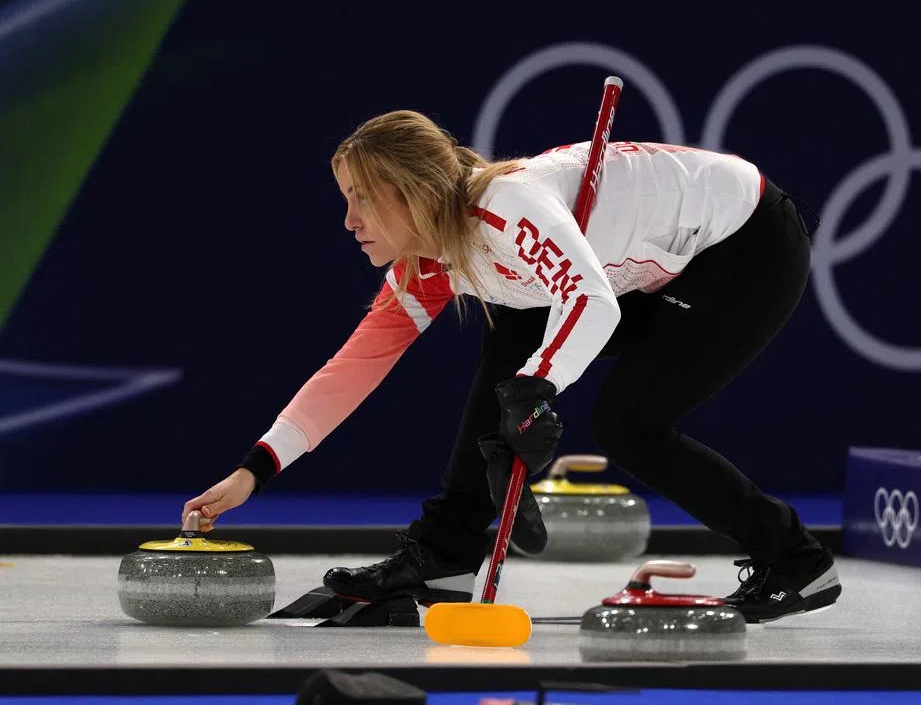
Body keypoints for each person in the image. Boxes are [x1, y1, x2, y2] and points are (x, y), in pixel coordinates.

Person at [183, 110, 841, 623]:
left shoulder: (505, 210)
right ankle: (443, 556)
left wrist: (534, 389)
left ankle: (796, 561)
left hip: (743, 245)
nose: (349, 220)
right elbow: (353, 366)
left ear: (411, 193)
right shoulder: (431, 258)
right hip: (647, 259)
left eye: (361, 198)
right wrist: (254, 471)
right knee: (513, 341)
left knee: (627, 424)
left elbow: (591, 302)